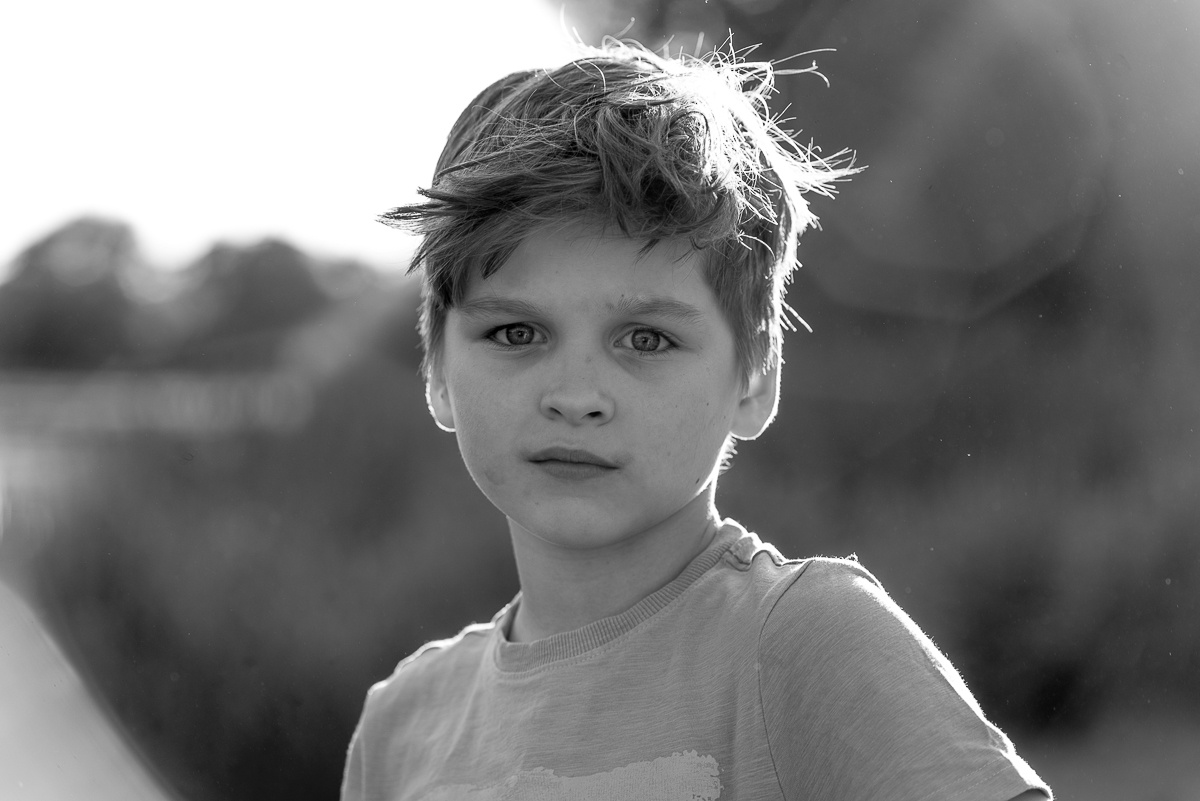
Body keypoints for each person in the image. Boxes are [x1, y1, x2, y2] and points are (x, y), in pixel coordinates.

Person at [340, 40, 1052, 800]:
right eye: (516, 332)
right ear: (437, 372)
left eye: (646, 339)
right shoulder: (400, 728)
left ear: (755, 377)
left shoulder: (811, 644)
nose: (576, 395)